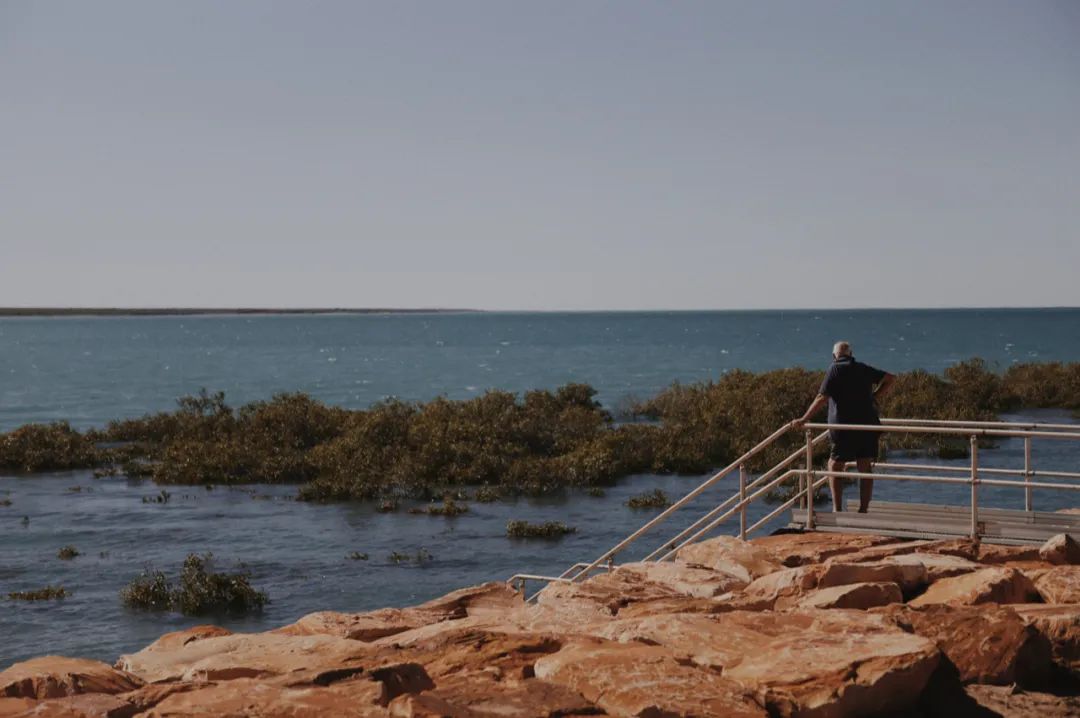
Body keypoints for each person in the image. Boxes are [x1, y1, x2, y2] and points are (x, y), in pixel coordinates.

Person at [794, 341, 895, 513]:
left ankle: (837, 508)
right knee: (865, 467)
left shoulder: (834, 369)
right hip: (868, 427)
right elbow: (890, 378)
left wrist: (804, 418)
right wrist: (874, 396)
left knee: (834, 466)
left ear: (834, 356)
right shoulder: (862, 368)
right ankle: (863, 510)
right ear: (851, 354)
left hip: (844, 428)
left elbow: (821, 397)